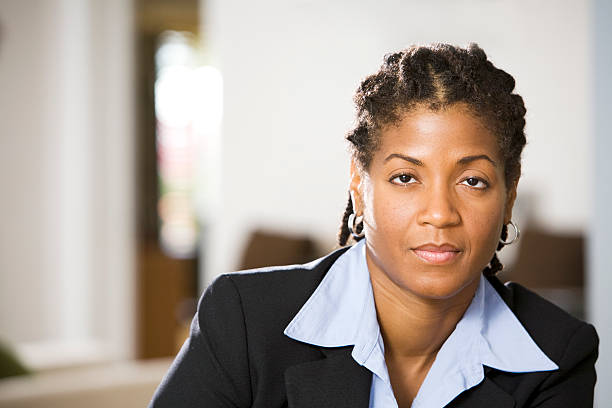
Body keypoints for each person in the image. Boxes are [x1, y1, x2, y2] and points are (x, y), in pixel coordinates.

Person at [149, 43, 599, 408]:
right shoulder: (243, 321)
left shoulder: (556, 353)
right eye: (406, 178)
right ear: (359, 187)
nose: (440, 213)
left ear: (509, 196)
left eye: (472, 180)